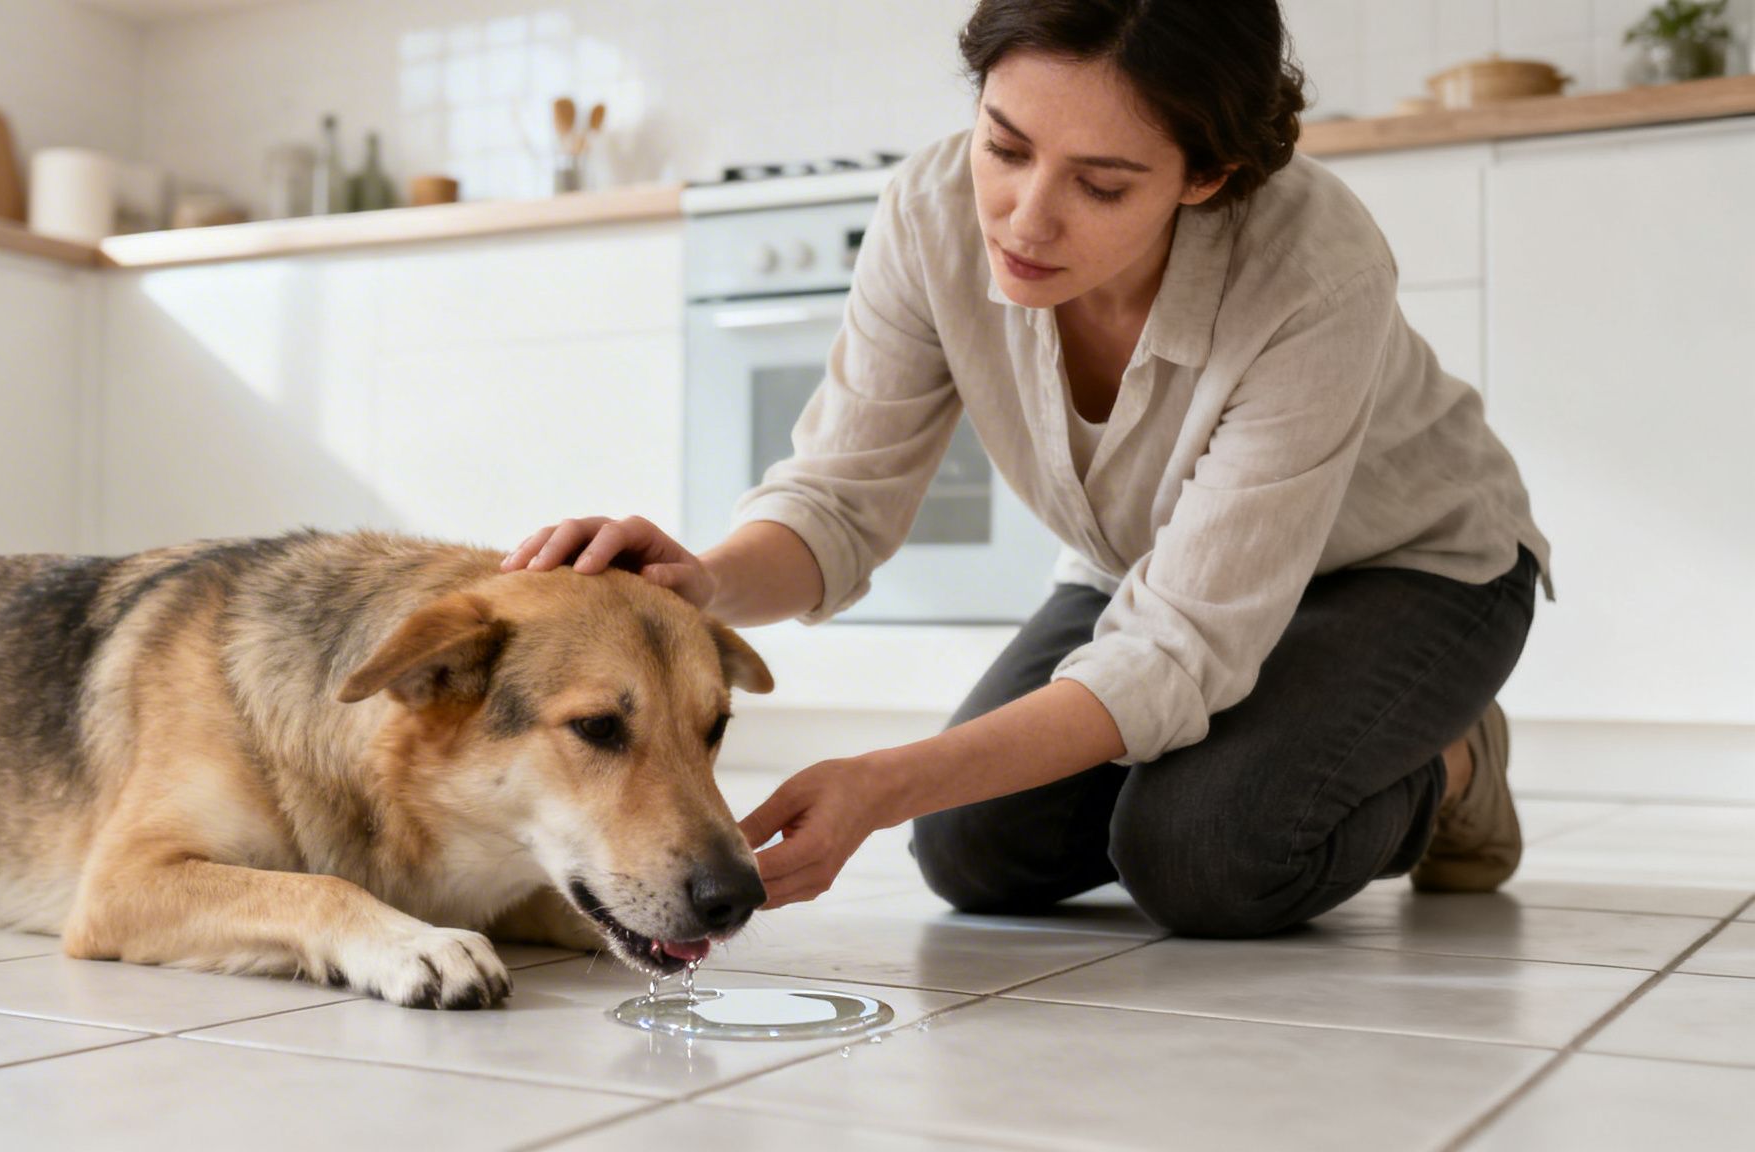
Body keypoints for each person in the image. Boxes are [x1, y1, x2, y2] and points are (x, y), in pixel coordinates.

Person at [501, 0, 1551, 937]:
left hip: (1406, 573)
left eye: (1099, 184)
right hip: (1139, 574)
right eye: (1004, 147)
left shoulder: (1310, 270)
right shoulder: (929, 213)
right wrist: (703, 581)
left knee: (1203, 857)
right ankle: (1260, 754)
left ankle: (1453, 766)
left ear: (1206, 176)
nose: (1023, 217)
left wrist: (880, 779)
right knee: (972, 852)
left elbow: (1180, 647)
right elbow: (837, 500)